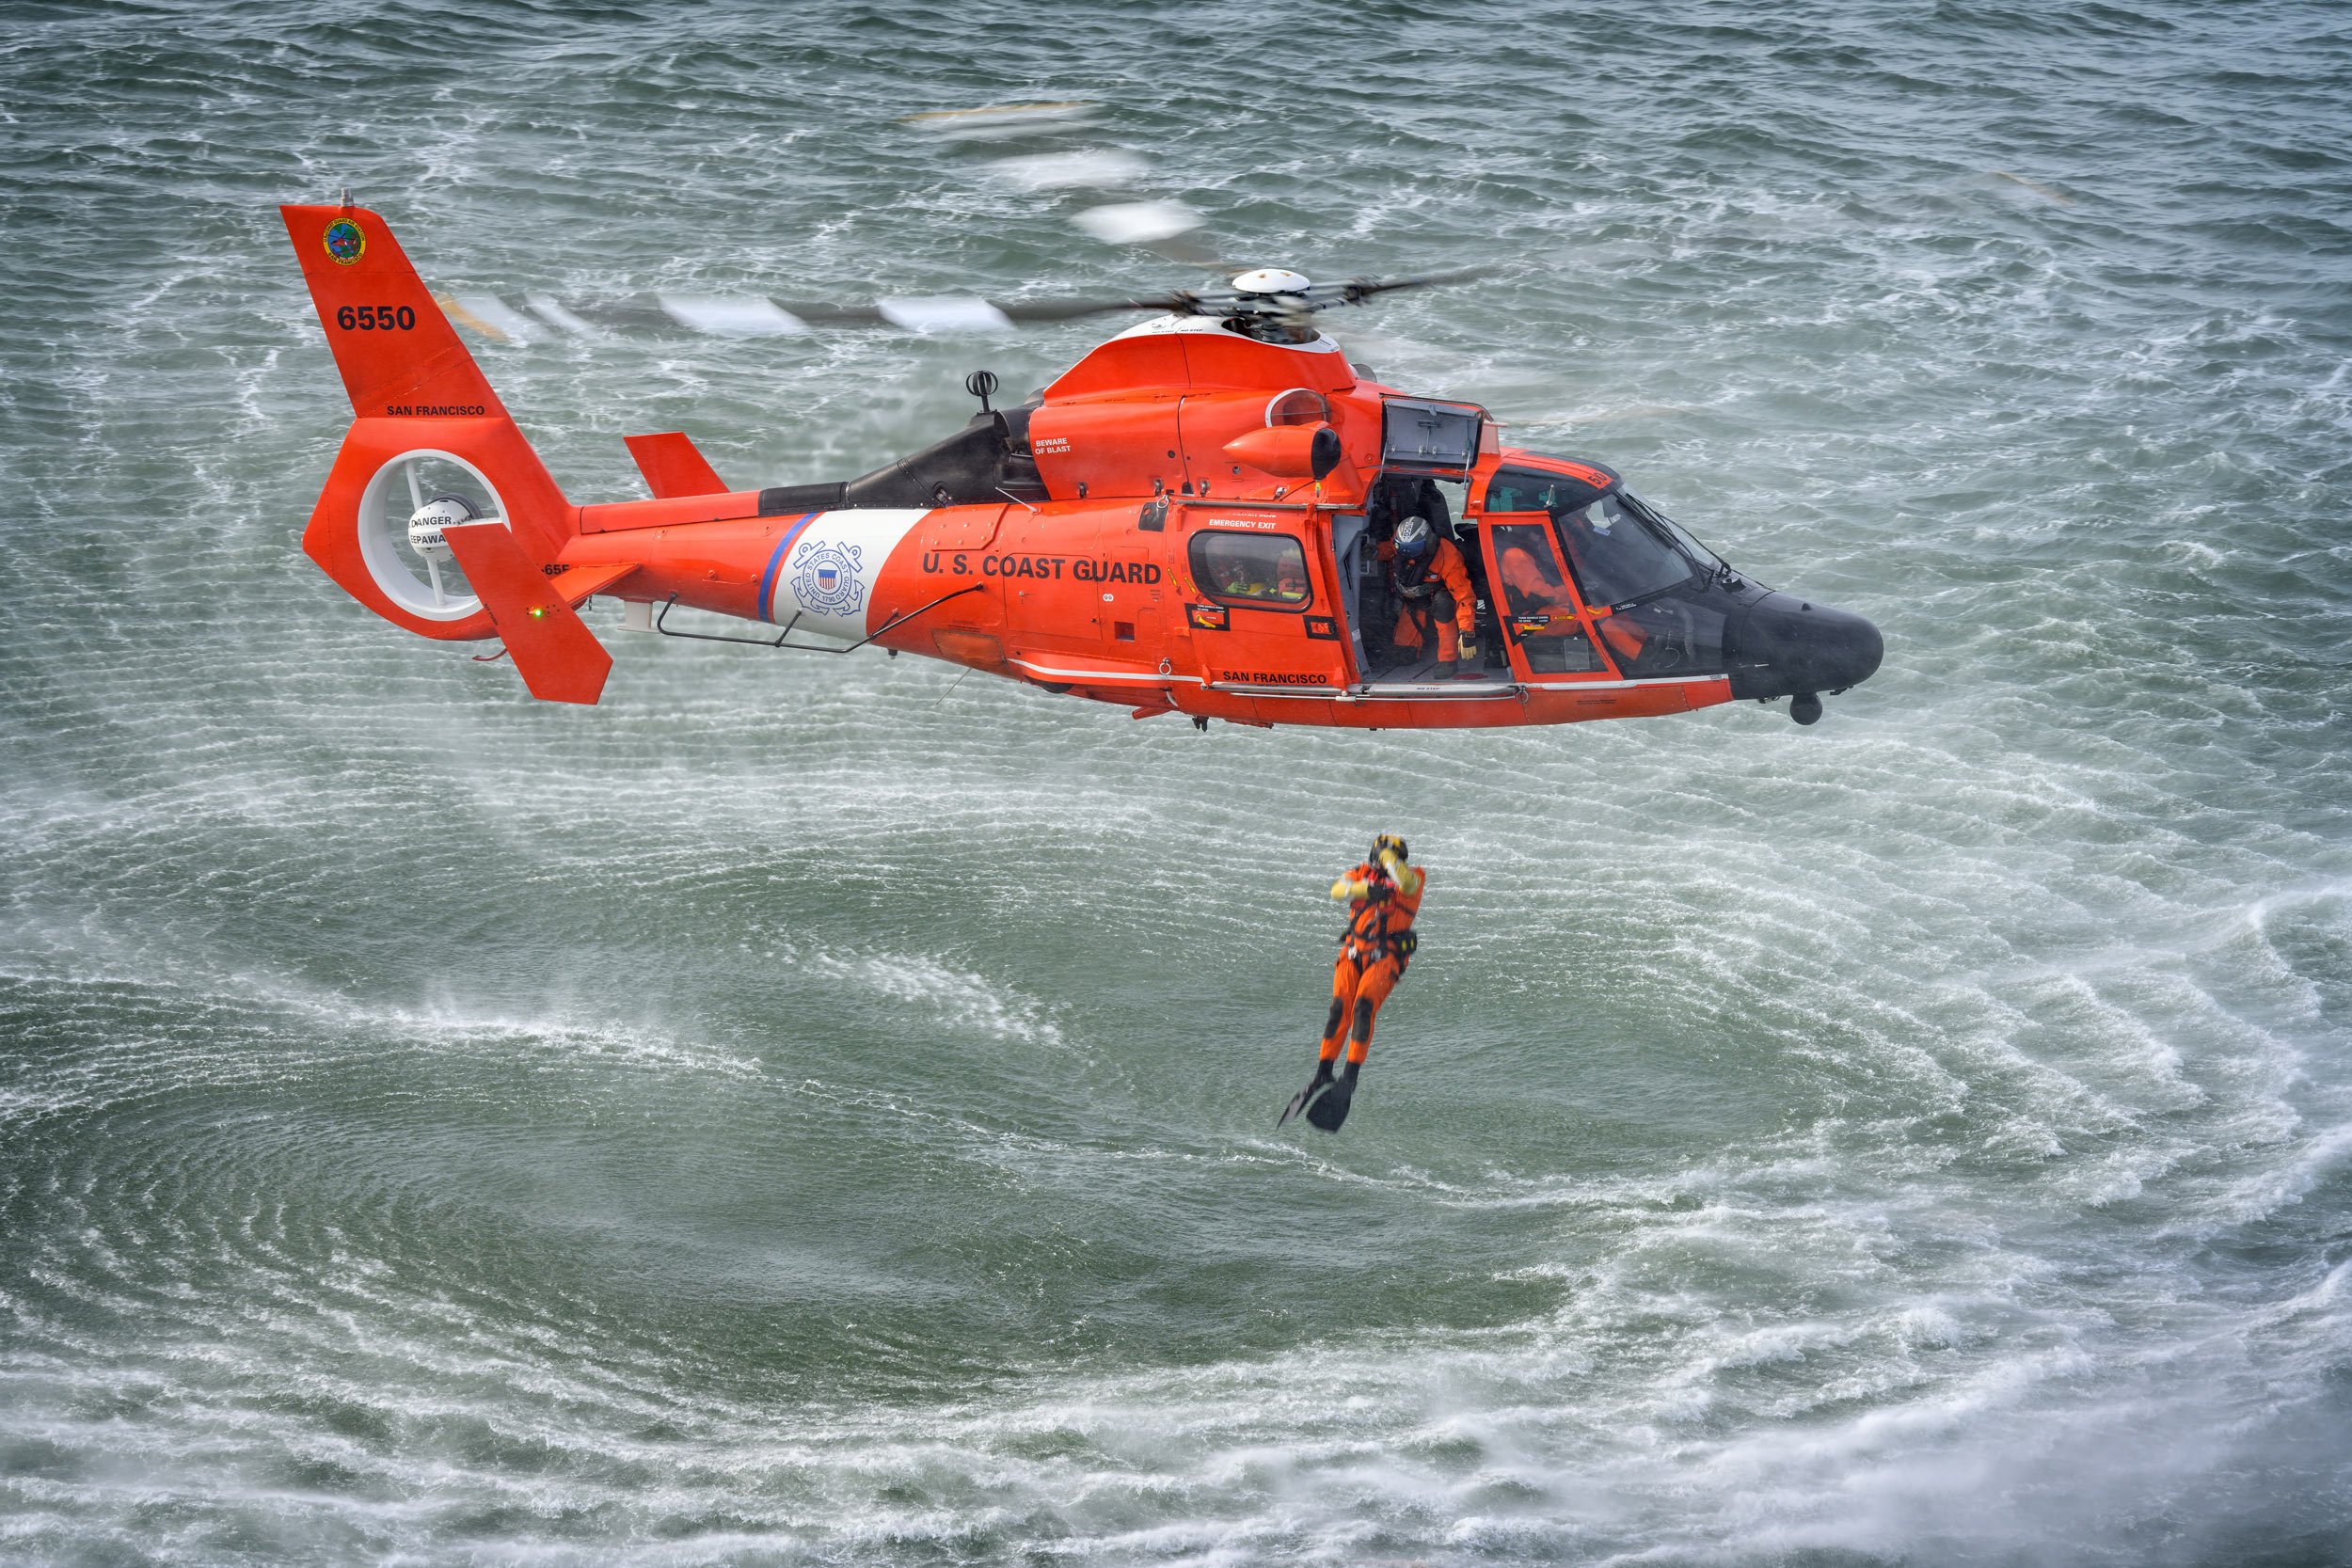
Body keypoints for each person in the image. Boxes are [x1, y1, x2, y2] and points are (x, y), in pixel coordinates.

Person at [1279, 833, 1426, 1132]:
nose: (1386, 864)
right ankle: (1323, 1072)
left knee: (1363, 1008)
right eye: (1382, 858)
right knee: (1339, 1008)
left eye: (1392, 860)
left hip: (1386, 958)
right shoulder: (1361, 874)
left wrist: (1388, 857)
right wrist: (1366, 889)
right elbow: (1337, 890)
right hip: (1353, 954)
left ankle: (1349, 1078)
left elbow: (1405, 883)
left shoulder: (1414, 878)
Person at [1389, 515, 1479, 677]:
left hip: (1439, 597)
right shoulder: (1401, 544)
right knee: (1403, 656)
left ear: (1428, 544)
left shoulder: (1449, 556)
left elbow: (1464, 596)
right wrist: (1374, 551)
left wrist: (1467, 632)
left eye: (1415, 551)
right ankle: (1412, 648)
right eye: (1405, 551)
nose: (1410, 556)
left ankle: (1448, 660)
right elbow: (1389, 549)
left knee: (1443, 604)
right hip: (1412, 601)